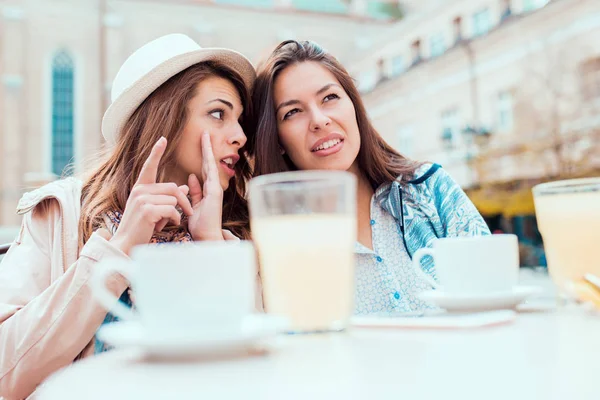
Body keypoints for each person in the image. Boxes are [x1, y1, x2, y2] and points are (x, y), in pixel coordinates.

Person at [0, 33, 256, 399]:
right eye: (218, 113)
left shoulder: (238, 231)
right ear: (164, 117)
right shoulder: (61, 213)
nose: (240, 136)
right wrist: (118, 248)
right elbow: (5, 370)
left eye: (240, 120)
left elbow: (258, 374)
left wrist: (211, 246)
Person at [250, 40, 490, 316]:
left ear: (354, 105)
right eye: (292, 112)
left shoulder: (430, 189)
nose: (319, 120)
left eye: (329, 98)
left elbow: (492, 295)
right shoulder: (276, 237)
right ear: (277, 138)